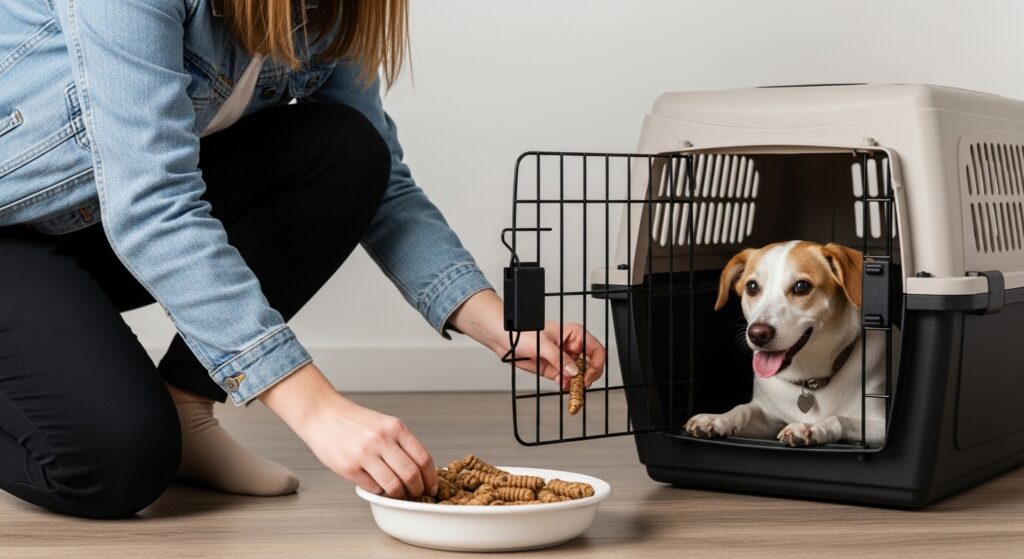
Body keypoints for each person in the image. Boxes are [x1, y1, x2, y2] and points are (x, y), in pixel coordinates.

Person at [0, 0, 606, 519]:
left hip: (94, 224)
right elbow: (152, 203)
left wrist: (495, 322)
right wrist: (318, 410)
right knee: (116, 463)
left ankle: (187, 409)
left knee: (345, 151)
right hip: (20, 230)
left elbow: (383, 184)